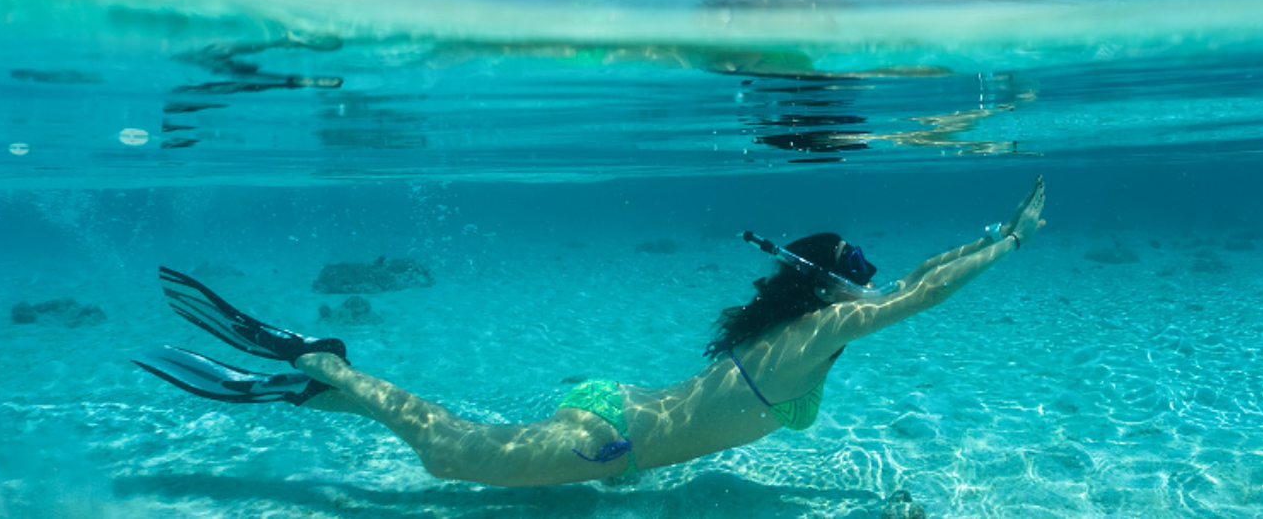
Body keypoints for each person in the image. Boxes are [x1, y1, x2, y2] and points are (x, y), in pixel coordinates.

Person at [136, 177, 1047, 487]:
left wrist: (982, 236)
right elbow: (921, 297)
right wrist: (1006, 244)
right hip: (610, 435)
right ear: (835, 288)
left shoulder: (815, 326)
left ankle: (324, 388)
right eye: (862, 273)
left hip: (620, 426)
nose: (877, 283)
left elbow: (918, 281)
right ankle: (321, 362)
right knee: (452, 459)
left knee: (471, 452)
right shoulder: (825, 329)